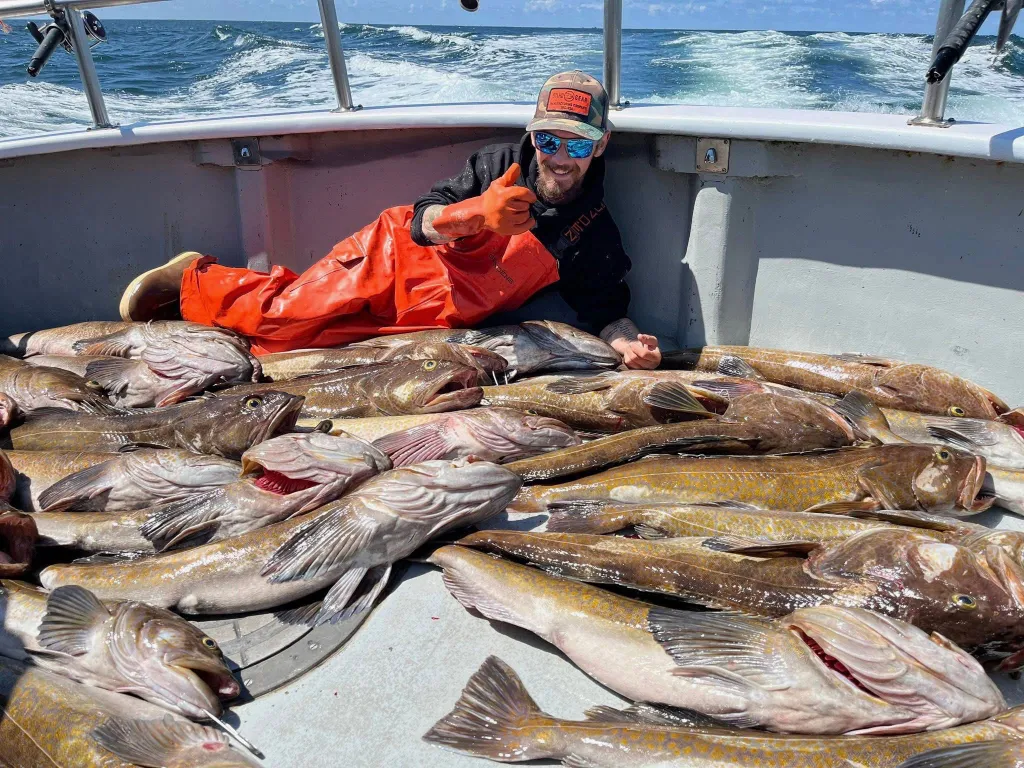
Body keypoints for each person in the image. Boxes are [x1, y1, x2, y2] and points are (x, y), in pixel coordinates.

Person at [119, 70, 661, 369]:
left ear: (601, 144)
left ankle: (207, 308)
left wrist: (629, 344)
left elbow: (608, 309)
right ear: (532, 133)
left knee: (293, 350)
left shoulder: (593, 233)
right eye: (547, 139)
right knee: (285, 315)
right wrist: (477, 213)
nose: (559, 157)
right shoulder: (498, 164)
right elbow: (420, 222)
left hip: (433, 316)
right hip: (390, 260)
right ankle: (195, 277)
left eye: (577, 143)